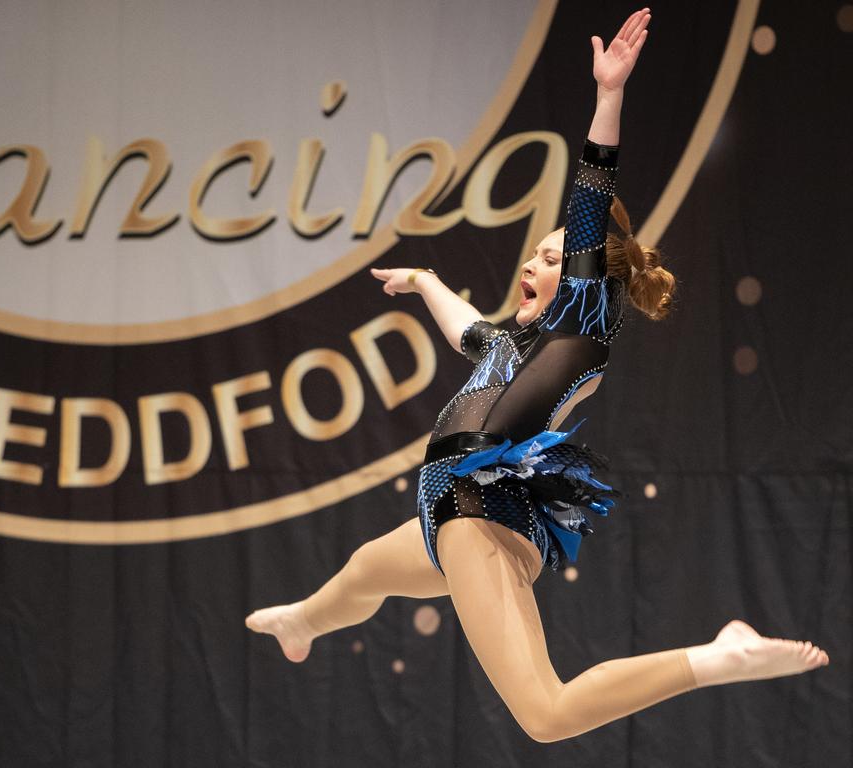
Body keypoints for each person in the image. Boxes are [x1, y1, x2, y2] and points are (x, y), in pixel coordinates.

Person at [245, 9, 828, 743]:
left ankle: (716, 658)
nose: (533, 264)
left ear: (587, 280)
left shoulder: (582, 323)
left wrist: (608, 98)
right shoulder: (511, 346)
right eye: (537, 254)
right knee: (367, 568)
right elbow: (470, 330)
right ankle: (303, 621)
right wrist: (424, 281)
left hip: (473, 510)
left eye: (554, 260)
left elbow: (590, 198)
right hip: (466, 514)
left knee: (545, 714)